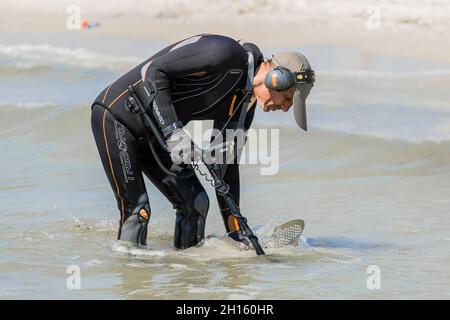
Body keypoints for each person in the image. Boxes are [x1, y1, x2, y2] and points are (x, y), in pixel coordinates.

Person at [90, 34, 315, 249]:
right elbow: (152, 71)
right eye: (287, 98)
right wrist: (174, 132)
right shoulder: (224, 53)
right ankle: (131, 279)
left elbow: (225, 166)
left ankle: (185, 276)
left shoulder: (243, 106)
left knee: (195, 204)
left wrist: (236, 233)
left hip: (154, 134)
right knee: (138, 211)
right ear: (276, 77)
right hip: (117, 118)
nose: (285, 108)